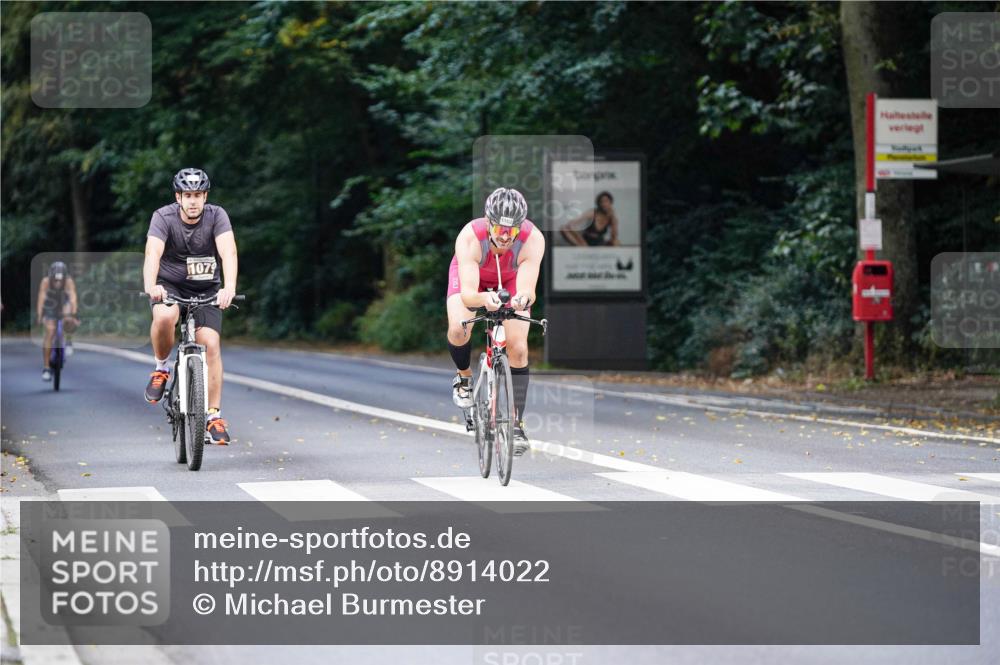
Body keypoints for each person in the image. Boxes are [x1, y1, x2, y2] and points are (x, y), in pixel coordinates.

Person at [446, 187, 545, 456]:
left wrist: (521, 300)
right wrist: (482, 298)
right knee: (458, 328)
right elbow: (468, 294)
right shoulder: (470, 236)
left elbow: (527, 289)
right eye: (500, 228)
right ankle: (464, 379)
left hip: (510, 279)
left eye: (512, 230)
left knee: (519, 349)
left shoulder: (533, 239)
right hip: (474, 278)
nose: (505, 236)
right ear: (488, 222)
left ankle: (516, 424)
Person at [142, 168, 238, 444]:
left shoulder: (217, 216)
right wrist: (152, 286)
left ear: (205, 196)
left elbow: (228, 252)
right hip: (169, 286)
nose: (193, 201)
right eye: (188, 195)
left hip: (206, 289)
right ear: (178, 197)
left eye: (198, 195)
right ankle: (161, 367)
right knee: (163, 317)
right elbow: (153, 253)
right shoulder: (163, 217)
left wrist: (228, 287)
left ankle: (213, 416)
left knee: (210, 343)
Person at [36, 261, 79, 381]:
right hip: (50, 306)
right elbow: (41, 298)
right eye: (55, 279)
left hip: (64, 304)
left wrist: (74, 313)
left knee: (69, 316)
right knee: (50, 332)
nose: (58, 282)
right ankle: (46, 368)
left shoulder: (69, 281)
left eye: (61, 279)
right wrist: (40, 315)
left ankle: (69, 340)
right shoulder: (45, 282)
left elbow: (73, 298)